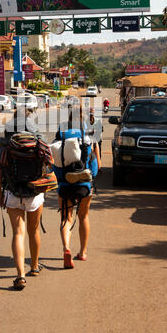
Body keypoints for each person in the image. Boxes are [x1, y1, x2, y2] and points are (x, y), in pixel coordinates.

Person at [0, 108, 46, 290]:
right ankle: (34, 266)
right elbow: (48, 165)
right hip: (34, 193)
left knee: (18, 232)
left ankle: (20, 275)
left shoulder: (5, 145)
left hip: (12, 191)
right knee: (34, 231)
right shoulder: (37, 141)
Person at [52, 105, 100, 268]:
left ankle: (66, 248)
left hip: (65, 182)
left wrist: (59, 178)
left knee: (66, 218)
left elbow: (55, 160)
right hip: (85, 182)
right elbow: (95, 163)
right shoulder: (88, 132)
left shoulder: (61, 132)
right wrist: (92, 178)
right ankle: (83, 252)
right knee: (83, 216)